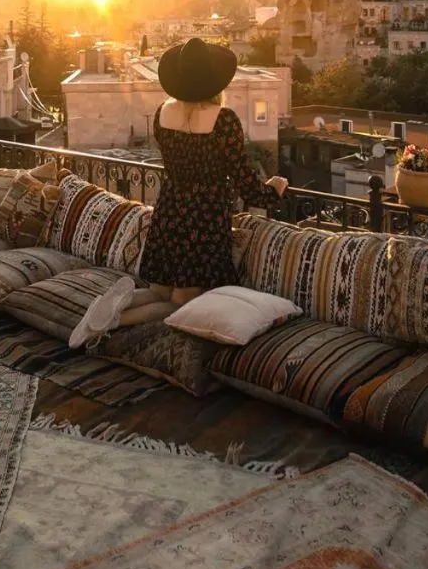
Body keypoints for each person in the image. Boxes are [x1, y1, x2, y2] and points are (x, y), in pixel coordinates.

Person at [69, 38, 288, 349]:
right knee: (181, 303)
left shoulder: (162, 114)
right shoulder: (223, 120)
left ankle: (110, 306)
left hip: (170, 210)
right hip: (203, 218)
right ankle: (115, 320)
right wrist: (273, 192)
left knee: (160, 291)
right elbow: (243, 179)